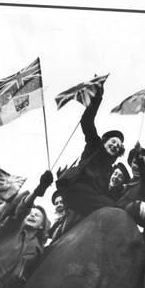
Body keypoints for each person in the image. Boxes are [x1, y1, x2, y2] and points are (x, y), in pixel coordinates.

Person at [56, 84, 125, 226]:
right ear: (105, 141)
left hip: (89, 199)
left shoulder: (110, 169)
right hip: (77, 189)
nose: (114, 146)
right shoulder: (95, 146)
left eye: (117, 146)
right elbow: (87, 121)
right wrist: (97, 98)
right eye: (113, 142)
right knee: (112, 208)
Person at [115, 143, 145, 208]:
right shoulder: (126, 184)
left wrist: (139, 155)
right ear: (131, 164)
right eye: (135, 162)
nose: (138, 167)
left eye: (142, 164)